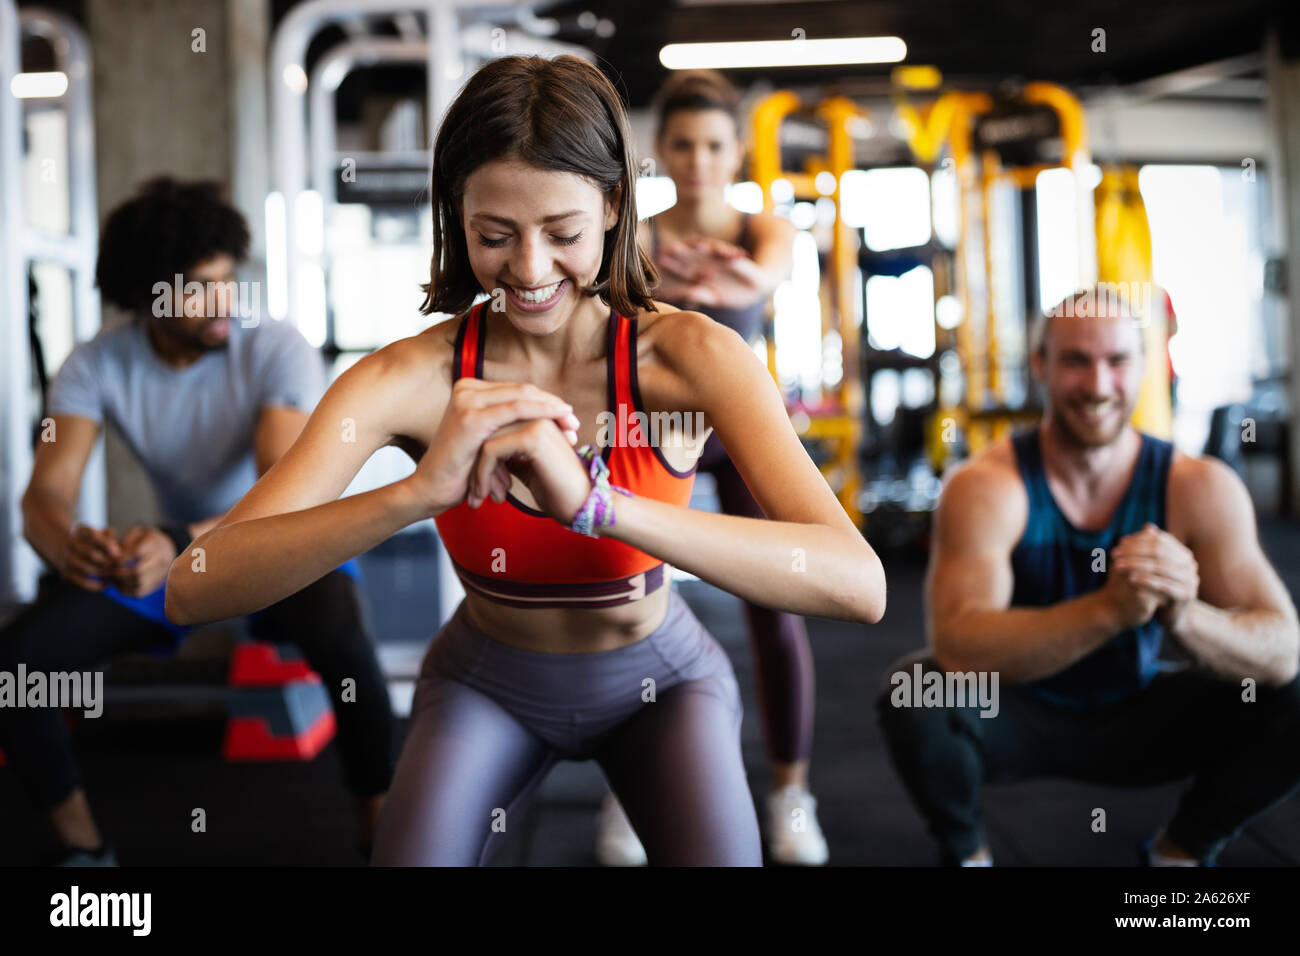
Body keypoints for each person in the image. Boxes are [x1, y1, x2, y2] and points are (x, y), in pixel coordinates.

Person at [165, 55, 886, 868]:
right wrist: (413, 493)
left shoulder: (688, 357)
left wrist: (596, 504)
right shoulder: (406, 379)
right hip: (485, 681)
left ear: (614, 207)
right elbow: (195, 585)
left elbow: (859, 585)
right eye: (494, 235)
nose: (531, 270)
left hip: (661, 681)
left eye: (565, 233)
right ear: (456, 216)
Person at [0, 178, 396, 865]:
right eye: (195, 289)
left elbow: (285, 494)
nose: (223, 303)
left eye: (225, 280)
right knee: (18, 666)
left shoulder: (274, 346)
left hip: (281, 541)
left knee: (345, 644)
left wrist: (180, 540)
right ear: (145, 296)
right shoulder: (96, 364)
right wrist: (76, 548)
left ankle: (384, 838)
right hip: (173, 558)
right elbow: (43, 499)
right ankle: (85, 853)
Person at [876, 286, 1300, 866]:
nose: (1098, 385)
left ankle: (1180, 855)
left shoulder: (1199, 488)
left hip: (1144, 712)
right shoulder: (986, 486)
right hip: (1017, 712)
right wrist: (1110, 609)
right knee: (915, 689)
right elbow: (958, 642)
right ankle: (967, 856)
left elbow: (1281, 648)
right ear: (1040, 365)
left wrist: (1184, 614)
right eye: (1076, 360)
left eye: (1117, 361)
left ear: (1144, 366)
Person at [594, 69, 825, 867]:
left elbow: (768, 275)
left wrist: (731, 279)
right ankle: (629, 791)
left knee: (778, 608)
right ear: (662, 150)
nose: (698, 160)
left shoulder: (763, 229)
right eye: (683, 144)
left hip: (748, 428)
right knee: (625, 603)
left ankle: (791, 795)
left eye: (714, 145)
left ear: (736, 151)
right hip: (661, 431)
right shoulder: (639, 235)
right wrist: (659, 283)